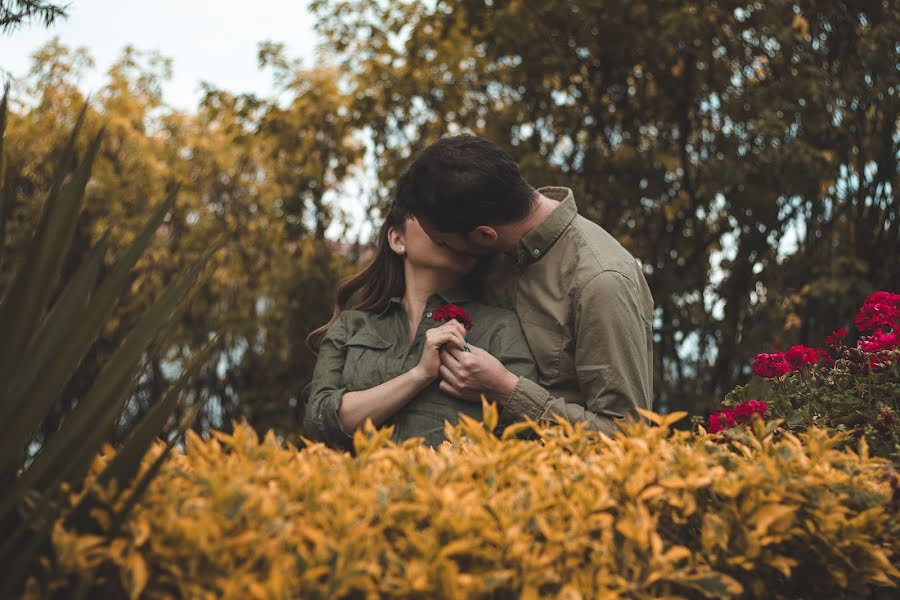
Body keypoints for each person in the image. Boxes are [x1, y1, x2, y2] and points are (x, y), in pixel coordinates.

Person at [394, 134, 655, 436]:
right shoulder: (491, 254)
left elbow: (626, 435)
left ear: (484, 235)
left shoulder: (601, 281)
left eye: (442, 242)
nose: (443, 250)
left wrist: (506, 389)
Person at [303, 201, 537, 450]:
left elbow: (525, 437)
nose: (446, 225)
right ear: (397, 239)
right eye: (427, 213)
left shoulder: (501, 327)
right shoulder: (352, 326)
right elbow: (318, 423)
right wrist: (419, 375)